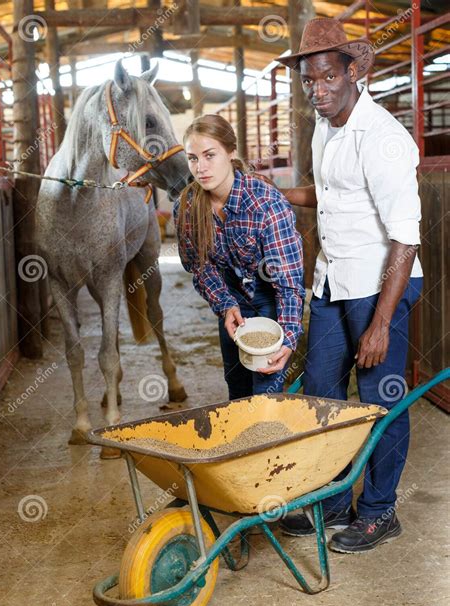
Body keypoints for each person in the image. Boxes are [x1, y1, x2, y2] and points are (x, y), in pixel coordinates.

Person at [277, 18, 423, 553]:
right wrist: (273, 193)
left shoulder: (383, 138)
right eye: (308, 81)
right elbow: (329, 192)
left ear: (354, 70)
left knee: (383, 399)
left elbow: (405, 240)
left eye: (326, 78)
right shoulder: (326, 124)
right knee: (322, 395)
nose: (317, 90)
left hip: (379, 287)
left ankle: (380, 511)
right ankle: (334, 502)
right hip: (333, 284)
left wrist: (381, 324)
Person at [174, 114, 304, 400]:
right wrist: (225, 305)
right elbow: (200, 267)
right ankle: (244, 442)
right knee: (237, 385)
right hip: (231, 297)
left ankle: (268, 440)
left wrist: (290, 337)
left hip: (270, 296)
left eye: (210, 155)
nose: (201, 167)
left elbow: (289, 281)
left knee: (266, 389)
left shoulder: (265, 203)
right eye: (192, 158)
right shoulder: (186, 207)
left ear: (231, 152)